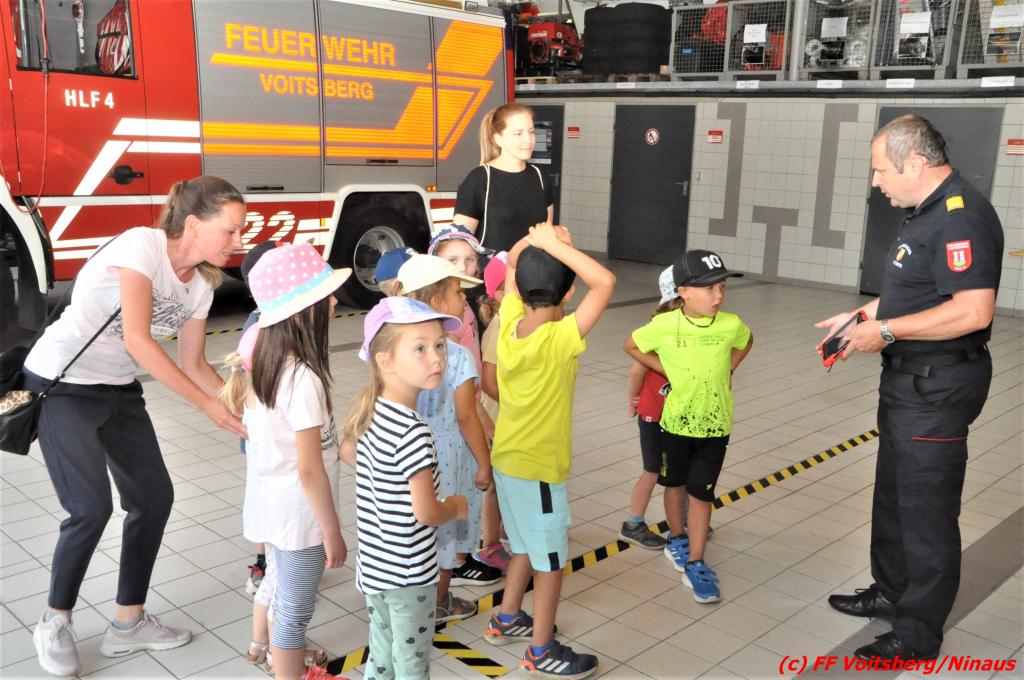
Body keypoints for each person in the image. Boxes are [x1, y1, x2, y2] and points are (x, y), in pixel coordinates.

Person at [22, 176, 248, 677]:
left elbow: (195, 363)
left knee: (153, 497)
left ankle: (128, 622)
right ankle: (55, 620)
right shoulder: (141, 245)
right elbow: (140, 342)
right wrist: (207, 408)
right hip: (63, 383)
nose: (238, 241)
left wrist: (245, 409)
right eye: (231, 230)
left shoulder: (202, 283)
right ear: (194, 224)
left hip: (117, 389)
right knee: (89, 508)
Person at [818, 115, 1003, 662]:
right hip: (908, 384)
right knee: (895, 498)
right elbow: (912, 293)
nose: (876, 181)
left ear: (915, 163)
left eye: (881, 170)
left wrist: (887, 331)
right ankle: (891, 592)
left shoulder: (960, 216)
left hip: (938, 386)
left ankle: (918, 633)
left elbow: (973, 310)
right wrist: (858, 318)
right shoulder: (924, 212)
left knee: (926, 512)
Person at [484, 223, 615, 680]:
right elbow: (605, 282)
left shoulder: (509, 325)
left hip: (507, 461)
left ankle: (506, 617)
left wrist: (537, 241)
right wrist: (554, 245)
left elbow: (512, 262)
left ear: (518, 291)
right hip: (538, 471)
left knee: (522, 546)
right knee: (551, 562)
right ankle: (541, 650)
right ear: (569, 291)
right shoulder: (559, 339)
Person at [221, 242, 351, 680]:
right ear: (303, 312)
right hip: (301, 517)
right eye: (326, 296)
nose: (335, 302)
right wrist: (331, 531)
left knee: (279, 588)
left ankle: (268, 651)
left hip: (275, 507)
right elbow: (310, 469)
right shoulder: (303, 378)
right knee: (294, 614)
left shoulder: (265, 365)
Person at [340, 296, 470, 680]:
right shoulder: (414, 431)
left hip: (374, 567)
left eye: (439, 346)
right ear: (385, 360)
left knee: (382, 651)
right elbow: (426, 512)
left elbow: (349, 452)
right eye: (420, 349)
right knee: (412, 662)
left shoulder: (372, 411)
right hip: (409, 573)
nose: (436, 358)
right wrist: (455, 506)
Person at [625, 250, 753, 604]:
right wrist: (666, 368)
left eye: (722, 286)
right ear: (682, 292)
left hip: (715, 427)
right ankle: (677, 537)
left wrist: (729, 368)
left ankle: (696, 561)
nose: (718, 295)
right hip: (676, 425)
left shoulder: (730, 324)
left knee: (702, 494)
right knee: (674, 484)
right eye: (709, 288)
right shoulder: (665, 325)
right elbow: (631, 345)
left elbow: (747, 340)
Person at [395, 255, 503, 619]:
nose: (464, 298)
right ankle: (439, 602)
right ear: (437, 302)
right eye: (458, 291)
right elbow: (467, 416)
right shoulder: (456, 356)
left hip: (408, 457)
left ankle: (411, 600)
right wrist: (484, 463)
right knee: (444, 537)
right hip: (450, 462)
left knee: (415, 530)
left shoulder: (394, 353)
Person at [619, 267, 680, 551]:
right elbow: (636, 371)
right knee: (652, 470)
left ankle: (685, 519)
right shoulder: (661, 330)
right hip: (654, 416)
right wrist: (634, 401)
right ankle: (633, 524)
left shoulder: (681, 328)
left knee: (679, 470)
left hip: (675, 415)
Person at [452, 103, 555, 253]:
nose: (528, 140)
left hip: (534, 268)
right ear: (498, 139)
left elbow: (548, 236)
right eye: (518, 134)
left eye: (531, 132)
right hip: (492, 268)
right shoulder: (479, 179)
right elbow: (459, 245)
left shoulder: (540, 177)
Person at [239, 239, 279, 598]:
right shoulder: (261, 324)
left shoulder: (279, 317)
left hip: (271, 431)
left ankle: (277, 561)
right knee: (264, 496)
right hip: (264, 432)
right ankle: (265, 564)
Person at [475, 252, 512, 571]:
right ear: (498, 293)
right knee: (494, 486)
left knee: (505, 480)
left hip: (509, 415)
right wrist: (519, 406)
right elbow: (488, 384)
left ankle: (502, 527)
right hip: (498, 417)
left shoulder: (512, 324)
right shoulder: (498, 328)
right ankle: (489, 544)